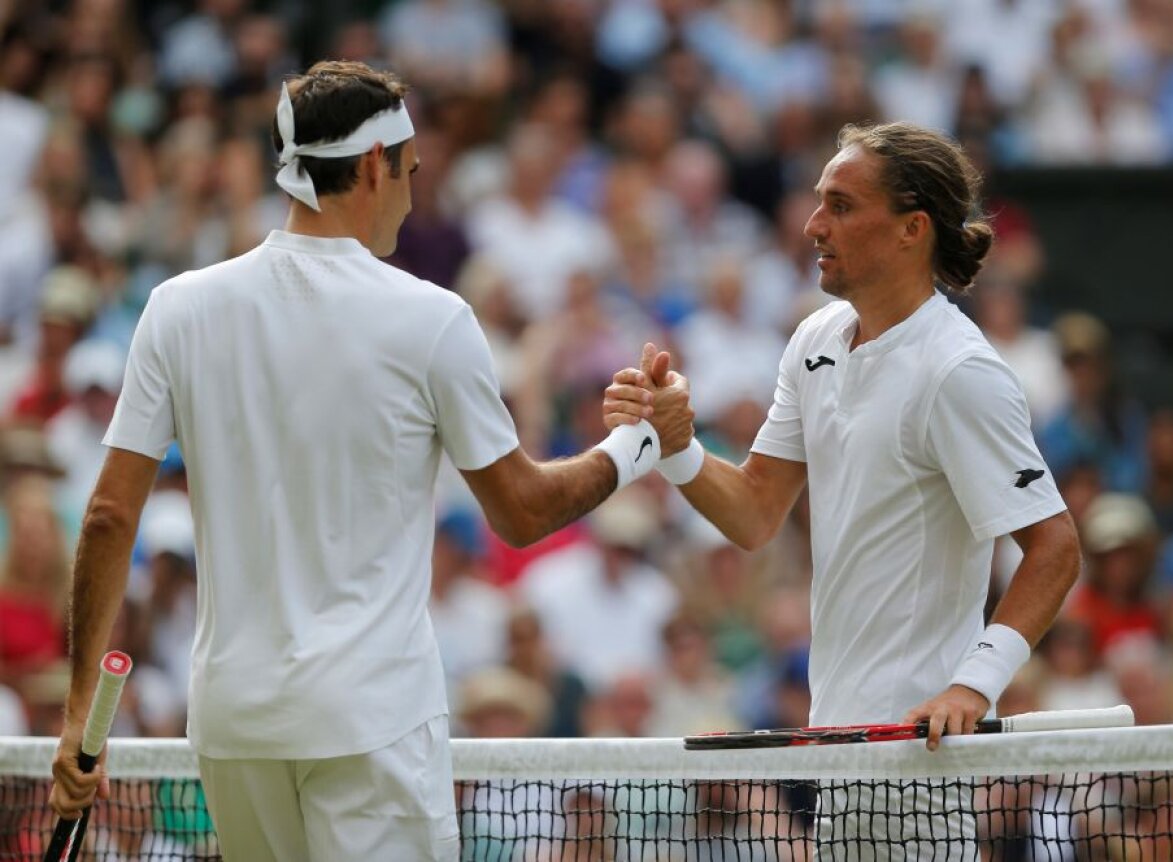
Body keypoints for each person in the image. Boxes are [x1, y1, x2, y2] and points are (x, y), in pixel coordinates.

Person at [48, 60, 692, 862]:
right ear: (376, 163)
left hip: (233, 725)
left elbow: (109, 514)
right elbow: (522, 512)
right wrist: (638, 446)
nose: (415, 194)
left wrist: (81, 715)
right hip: (371, 725)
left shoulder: (178, 308)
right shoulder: (433, 319)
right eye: (411, 171)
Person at [605, 121, 1081, 858]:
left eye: (841, 205)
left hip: (917, 763)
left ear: (910, 230)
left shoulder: (960, 373)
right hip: (839, 742)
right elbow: (758, 511)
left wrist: (972, 688)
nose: (812, 224)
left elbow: (1053, 547)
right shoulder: (818, 338)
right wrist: (676, 447)